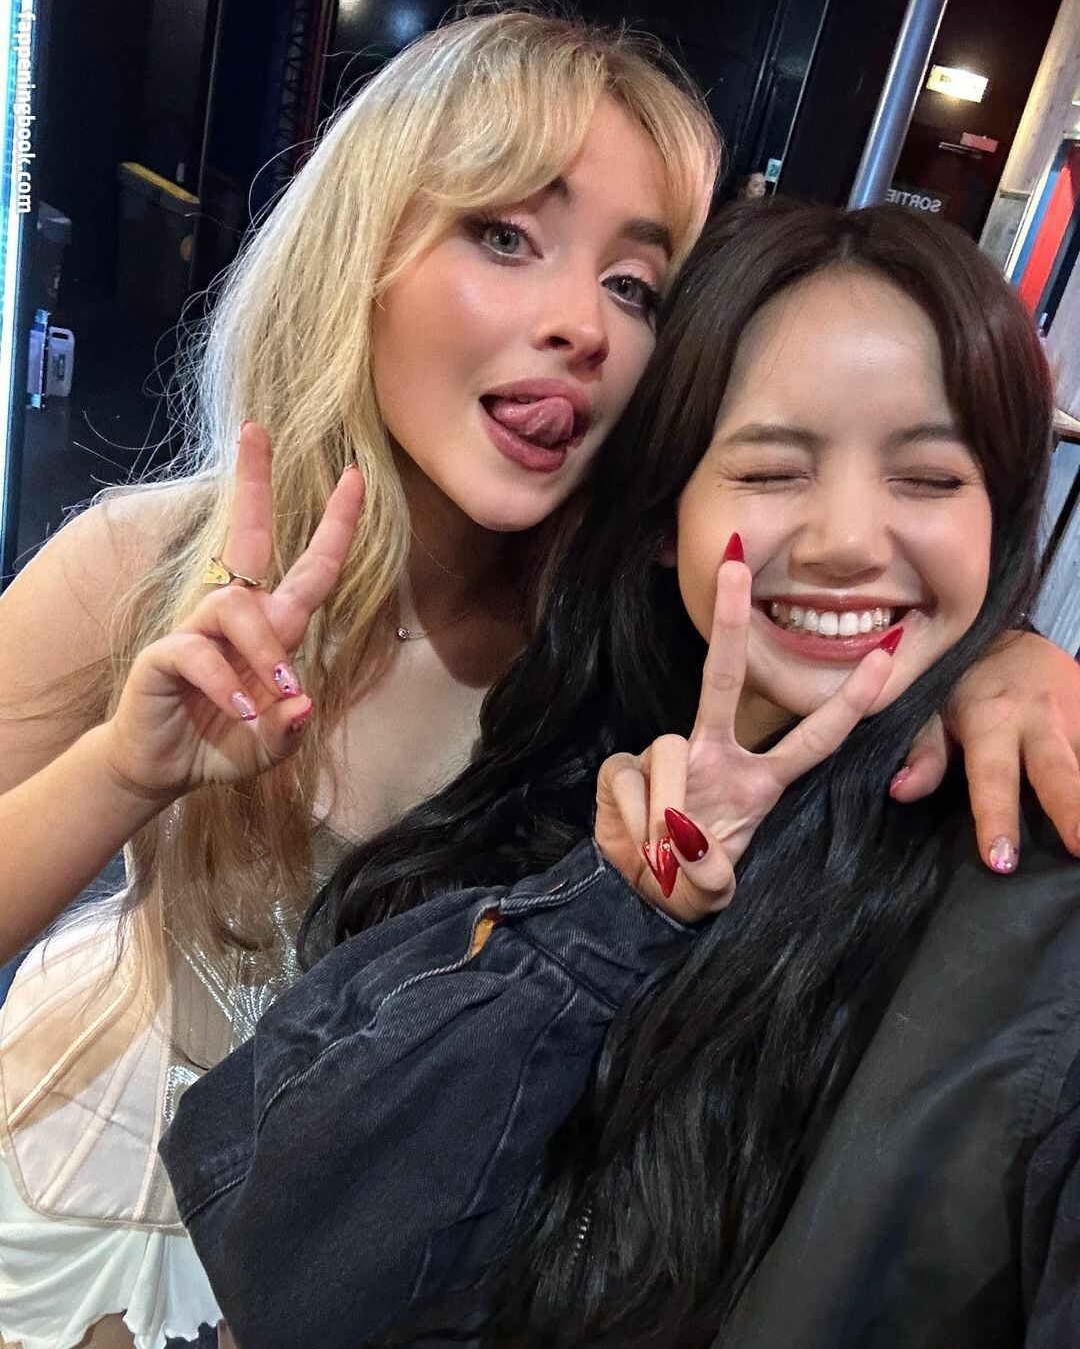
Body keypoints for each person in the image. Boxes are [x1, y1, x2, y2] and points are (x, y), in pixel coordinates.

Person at [160, 201, 1080, 1349]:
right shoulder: (561, 771)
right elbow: (288, 1259)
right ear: (660, 519)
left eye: (932, 479)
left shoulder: (1036, 901)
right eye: (772, 469)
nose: (849, 538)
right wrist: (610, 917)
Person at [0, 13, 721, 1349]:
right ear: (362, 258)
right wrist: (121, 773)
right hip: (89, 1203)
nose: (583, 325)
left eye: (636, 287)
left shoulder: (617, 660)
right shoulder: (144, 564)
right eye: (505, 235)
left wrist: (995, 670)